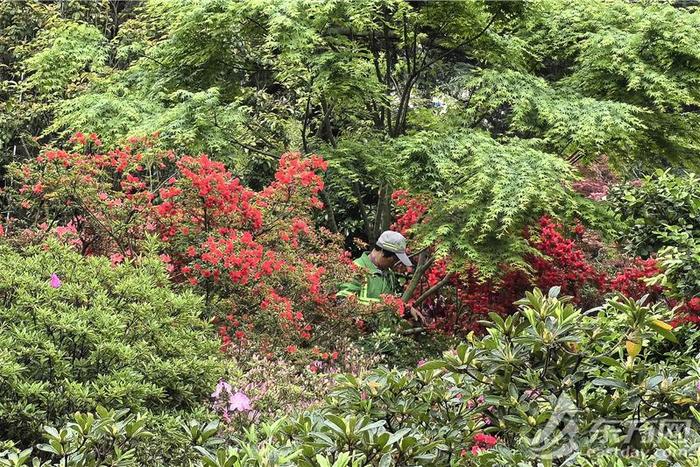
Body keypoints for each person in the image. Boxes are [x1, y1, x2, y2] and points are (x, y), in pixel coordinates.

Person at [338, 230, 424, 321]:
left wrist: (407, 309)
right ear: (382, 252)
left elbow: (392, 302)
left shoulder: (389, 274)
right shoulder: (356, 269)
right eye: (393, 260)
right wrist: (381, 308)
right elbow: (342, 302)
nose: (394, 264)